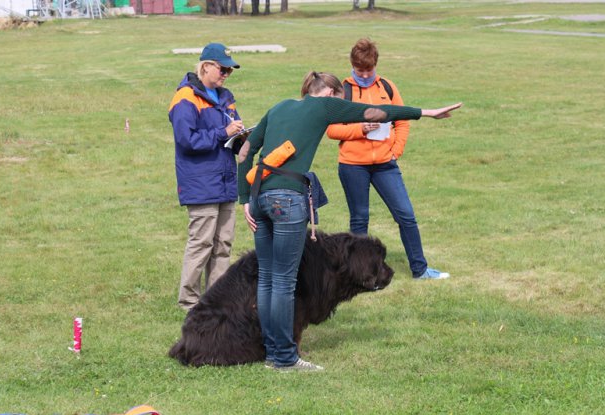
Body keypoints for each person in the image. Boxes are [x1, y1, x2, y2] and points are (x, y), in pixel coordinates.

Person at [237, 71, 461, 371]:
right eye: (342, 99)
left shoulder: (279, 107)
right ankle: (284, 358)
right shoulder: (324, 105)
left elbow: (245, 151)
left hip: (260, 198)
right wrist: (426, 112)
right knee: (284, 282)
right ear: (331, 93)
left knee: (267, 277)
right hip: (287, 200)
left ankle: (270, 352)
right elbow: (377, 112)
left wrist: (245, 199)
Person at [327, 38, 449, 280]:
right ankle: (359, 276)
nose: (364, 75)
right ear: (352, 65)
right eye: (359, 70)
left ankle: (420, 270)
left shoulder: (388, 87)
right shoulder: (343, 90)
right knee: (359, 219)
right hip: (353, 165)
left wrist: (396, 150)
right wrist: (360, 129)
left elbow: (402, 120)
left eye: (369, 69)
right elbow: (332, 129)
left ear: (376, 64)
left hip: (385, 164)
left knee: (406, 215)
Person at [168, 43, 246, 311]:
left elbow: (230, 135)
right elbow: (186, 140)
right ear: (206, 67)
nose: (226, 74)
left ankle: (217, 300)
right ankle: (189, 302)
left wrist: (243, 138)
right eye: (223, 69)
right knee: (201, 243)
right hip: (201, 182)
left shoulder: (226, 97)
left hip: (225, 181)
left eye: (229, 71)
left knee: (223, 244)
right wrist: (224, 133)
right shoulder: (185, 98)